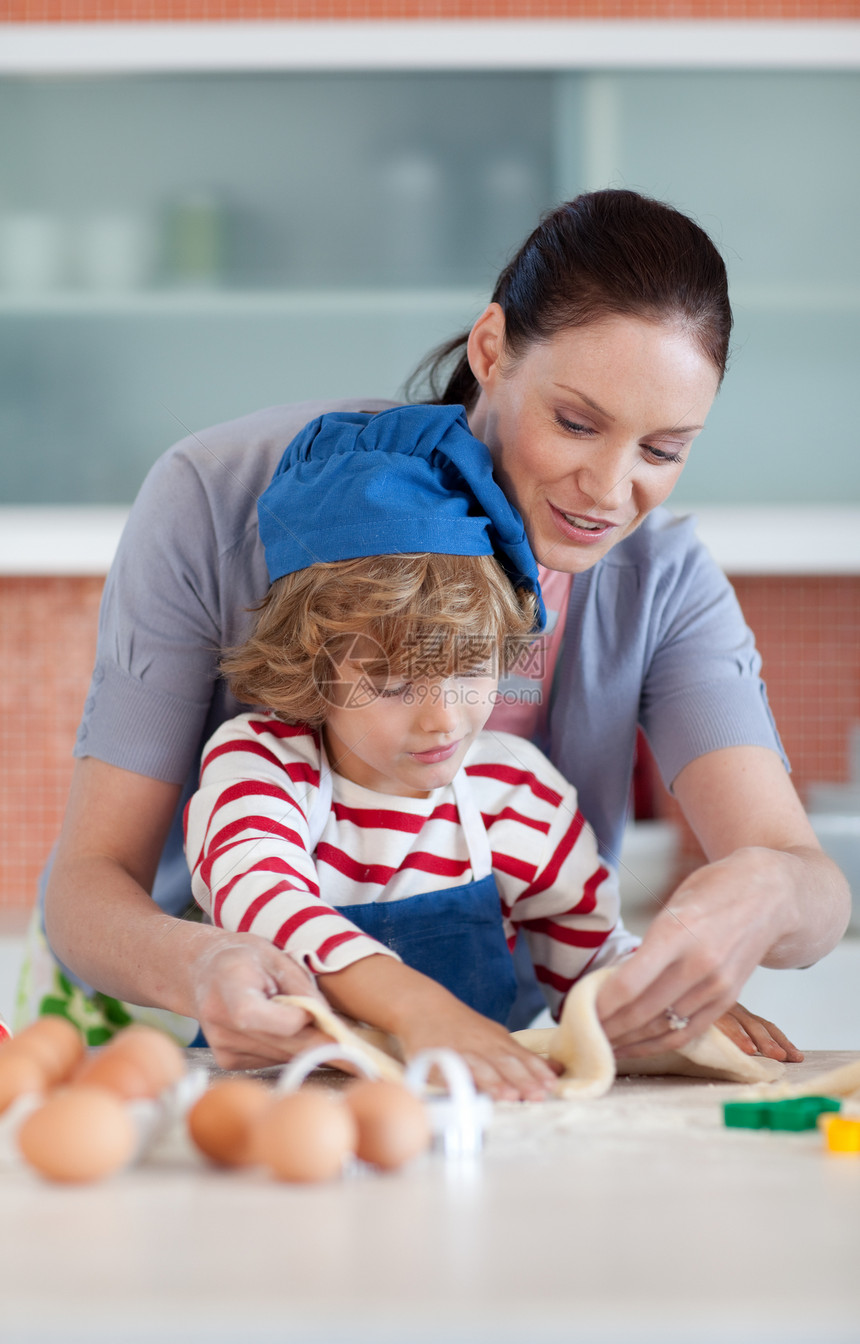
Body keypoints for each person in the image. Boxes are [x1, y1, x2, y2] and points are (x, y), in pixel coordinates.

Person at [31, 188, 849, 1070]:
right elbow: (86, 888)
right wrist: (206, 964)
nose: (610, 493)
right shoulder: (220, 498)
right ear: (491, 349)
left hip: (480, 1062)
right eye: (576, 423)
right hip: (186, 1038)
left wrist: (760, 894)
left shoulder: (662, 582)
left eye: (663, 451)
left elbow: (809, 895)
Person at [184, 403, 639, 1100]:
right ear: (315, 665)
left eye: (471, 667)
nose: (443, 720)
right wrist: (419, 1010)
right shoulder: (261, 768)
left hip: (466, 1130)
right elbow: (265, 901)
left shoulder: (515, 796)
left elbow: (594, 956)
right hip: (274, 1114)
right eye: (394, 683)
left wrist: (668, 1007)